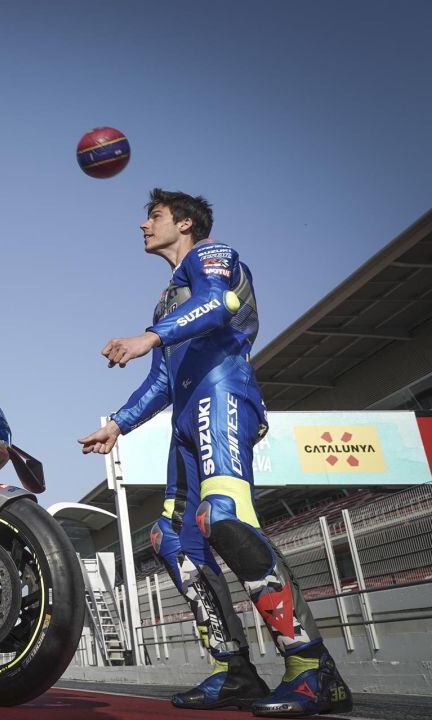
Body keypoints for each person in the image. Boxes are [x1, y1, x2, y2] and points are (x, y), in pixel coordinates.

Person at [77, 189, 351, 717]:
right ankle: (234, 671)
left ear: (183, 223)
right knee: (169, 539)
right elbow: (162, 382)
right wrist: (118, 423)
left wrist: (148, 337)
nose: (142, 225)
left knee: (222, 518)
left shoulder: (211, 254)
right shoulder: (165, 300)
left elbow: (220, 304)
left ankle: (313, 669)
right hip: (184, 416)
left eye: (153, 216)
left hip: (223, 393)